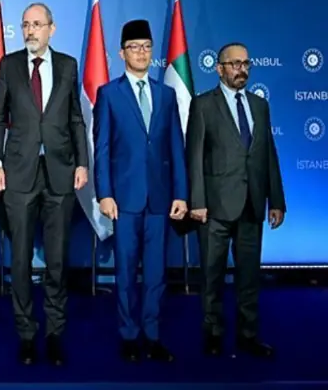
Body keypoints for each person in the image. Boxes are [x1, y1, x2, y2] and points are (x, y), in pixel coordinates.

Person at [0, 3, 88, 366]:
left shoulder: (68, 66)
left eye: (37, 24)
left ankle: (55, 334)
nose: (30, 31)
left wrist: (82, 163)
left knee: (57, 260)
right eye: (25, 25)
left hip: (60, 172)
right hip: (18, 173)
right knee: (20, 259)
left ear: (52, 28)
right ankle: (27, 334)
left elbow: (75, 118)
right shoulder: (9, 64)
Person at [93, 19, 188, 362]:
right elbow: (102, 148)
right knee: (125, 272)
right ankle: (129, 335)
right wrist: (104, 193)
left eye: (147, 47)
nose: (141, 53)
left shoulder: (166, 94)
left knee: (156, 273)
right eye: (134, 47)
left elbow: (175, 147)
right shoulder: (109, 94)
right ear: (122, 53)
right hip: (124, 199)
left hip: (160, 199)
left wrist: (181, 193)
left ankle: (153, 334)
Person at [186, 42, 284, 359]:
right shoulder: (203, 105)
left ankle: (248, 335)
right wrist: (197, 202)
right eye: (235, 64)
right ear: (219, 68)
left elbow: (268, 154)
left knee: (249, 277)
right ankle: (213, 334)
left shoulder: (260, 105)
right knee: (212, 276)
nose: (241, 70)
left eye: (245, 64)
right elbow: (194, 156)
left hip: (252, 204)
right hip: (214, 207)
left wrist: (276, 200)